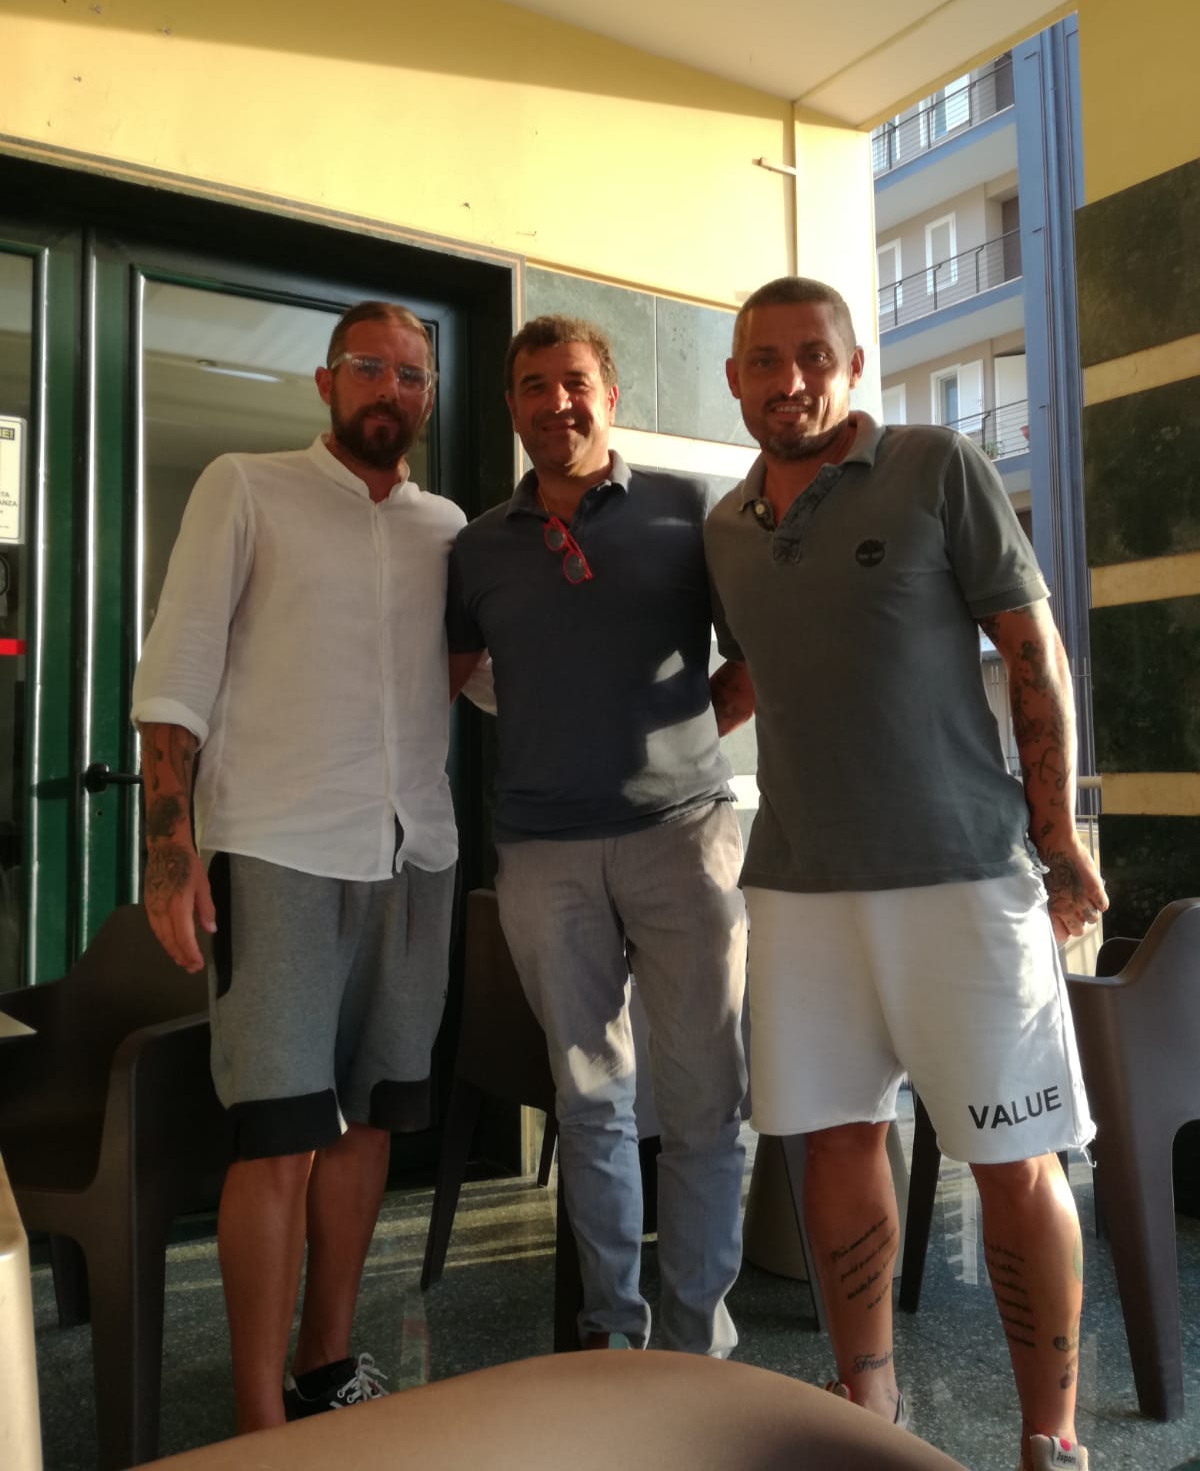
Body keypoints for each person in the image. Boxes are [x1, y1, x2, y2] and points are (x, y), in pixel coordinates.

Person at [704, 276, 1105, 1471]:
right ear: (734, 378)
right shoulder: (725, 528)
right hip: (799, 885)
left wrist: (1058, 832)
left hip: (962, 877)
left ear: (853, 365)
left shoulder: (936, 467)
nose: (789, 379)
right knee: (833, 1144)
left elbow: (1031, 648)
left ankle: (1052, 1438)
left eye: (812, 355)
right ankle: (866, 1408)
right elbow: (749, 677)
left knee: (1014, 1157)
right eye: (765, 359)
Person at [132, 300, 465, 1434]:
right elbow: (177, 672)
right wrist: (168, 850)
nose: (391, 389)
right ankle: (259, 1421)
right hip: (277, 849)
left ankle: (326, 1362)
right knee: (279, 1133)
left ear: (429, 397)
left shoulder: (448, 529)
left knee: (369, 1123)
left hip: (414, 856)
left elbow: (486, 675)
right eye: (369, 367)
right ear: (326, 382)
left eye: (412, 375)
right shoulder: (244, 485)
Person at [445, 314, 750, 1356]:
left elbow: (752, 658)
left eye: (573, 381)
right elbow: (446, 680)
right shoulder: (478, 546)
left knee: (706, 1104)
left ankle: (697, 1345)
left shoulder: (686, 510)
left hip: (685, 842)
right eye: (533, 386)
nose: (556, 402)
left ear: (609, 395)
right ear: (512, 407)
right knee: (590, 1103)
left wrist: (682, 742)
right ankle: (614, 1336)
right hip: (544, 857)